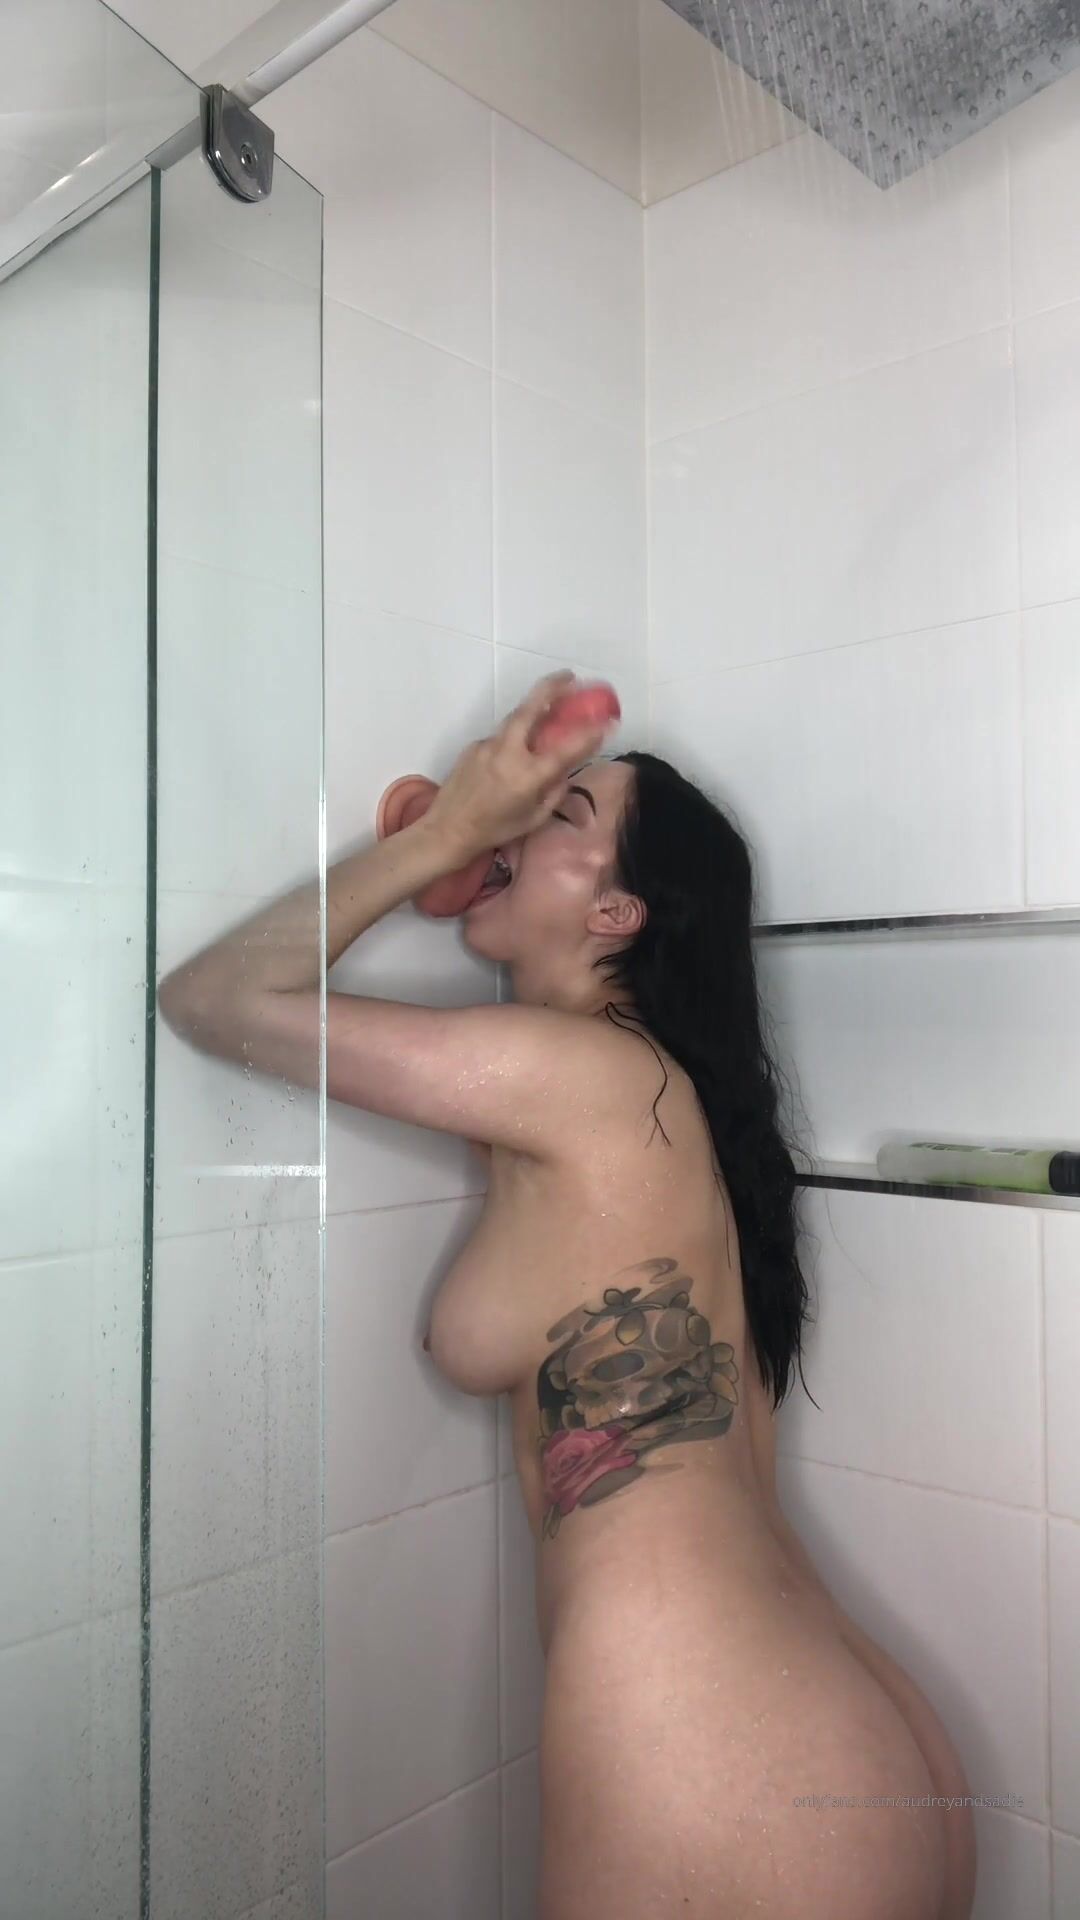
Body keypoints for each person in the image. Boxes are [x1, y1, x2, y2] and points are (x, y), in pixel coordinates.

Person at [159, 669, 977, 1919]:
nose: (519, 819)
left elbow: (213, 1001)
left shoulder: (582, 1075)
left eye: (562, 813)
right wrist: (470, 842)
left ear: (616, 912)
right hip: (813, 1719)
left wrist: (443, 833)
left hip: (715, 1730)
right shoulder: (646, 1099)